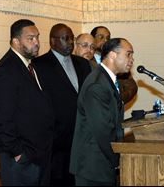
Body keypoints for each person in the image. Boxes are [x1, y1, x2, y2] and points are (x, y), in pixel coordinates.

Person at [0, 19, 55, 186]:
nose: (37, 43)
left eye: (37, 37)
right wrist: (19, 153)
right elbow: (2, 120)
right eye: (30, 38)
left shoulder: (29, 66)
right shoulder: (5, 71)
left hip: (38, 152)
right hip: (21, 157)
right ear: (16, 41)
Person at [70, 38, 135, 186]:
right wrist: (117, 158)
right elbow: (103, 130)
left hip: (101, 163)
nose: (132, 59)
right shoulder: (97, 84)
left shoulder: (107, 79)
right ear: (112, 55)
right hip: (93, 166)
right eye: (128, 54)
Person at [33, 23, 91, 186]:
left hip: (81, 135)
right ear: (52, 41)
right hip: (56, 139)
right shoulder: (39, 65)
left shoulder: (83, 64)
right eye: (65, 38)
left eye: (72, 38)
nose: (71, 42)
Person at [91, 26, 138, 104]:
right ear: (93, 38)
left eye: (108, 38)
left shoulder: (119, 61)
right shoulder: (87, 60)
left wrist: (117, 101)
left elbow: (132, 87)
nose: (105, 40)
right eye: (101, 37)